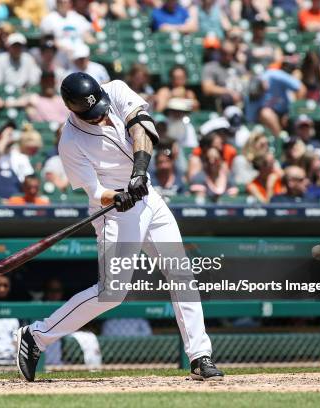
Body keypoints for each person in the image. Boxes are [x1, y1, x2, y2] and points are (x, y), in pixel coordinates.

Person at [15, 72, 223, 382]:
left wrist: (139, 173)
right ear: (73, 110)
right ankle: (36, 336)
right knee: (112, 293)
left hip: (148, 197)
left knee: (180, 271)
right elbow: (95, 192)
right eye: (90, 113)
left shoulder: (115, 90)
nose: (99, 117)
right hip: (114, 211)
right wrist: (119, 195)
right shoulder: (70, 141)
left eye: (98, 107)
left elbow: (144, 126)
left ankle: (199, 356)